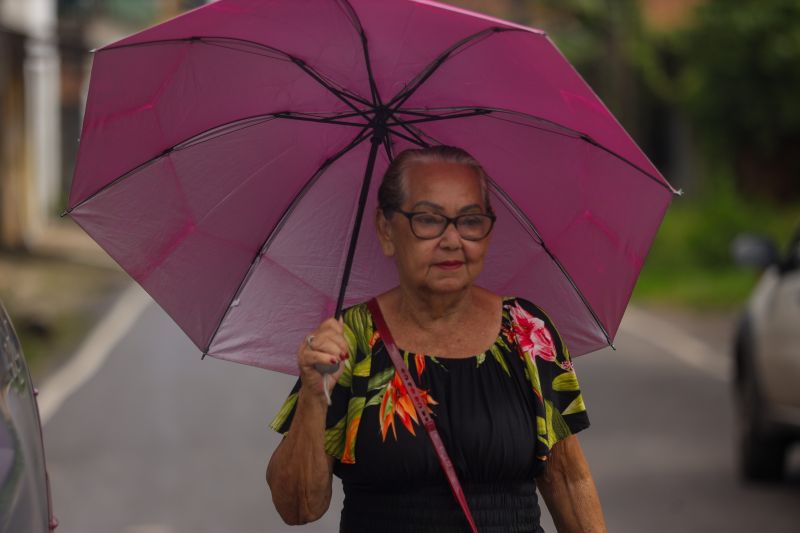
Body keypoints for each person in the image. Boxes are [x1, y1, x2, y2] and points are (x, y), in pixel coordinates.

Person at [267, 145, 607, 532]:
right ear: (386, 229)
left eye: (470, 221)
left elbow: (567, 477)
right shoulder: (350, 341)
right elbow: (298, 508)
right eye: (428, 220)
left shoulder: (526, 332)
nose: (451, 240)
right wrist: (314, 396)